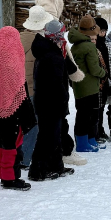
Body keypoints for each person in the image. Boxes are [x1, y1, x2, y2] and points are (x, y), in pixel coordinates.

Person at [34, 0, 85, 161]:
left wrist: (73, 72)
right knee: (51, 126)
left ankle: (60, 154)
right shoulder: (44, 40)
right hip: (47, 89)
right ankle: (57, 156)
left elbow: (66, 58)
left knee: (56, 123)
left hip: (51, 87)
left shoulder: (54, 40)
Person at [0, 26, 38, 191]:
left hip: (0, 104)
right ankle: (11, 177)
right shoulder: (12, 58)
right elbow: (18, 85)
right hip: (14, 105)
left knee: (2, 138)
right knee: (13, 141)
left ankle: (4, 174)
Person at [31, 20, 77, 181]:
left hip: (49, 101)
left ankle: (56, 165)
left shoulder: (54, 51)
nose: (64, 37)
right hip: (50, 102)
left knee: (55, 135)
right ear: (56, 36)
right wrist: (64, 97)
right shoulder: (51, 55)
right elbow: (55, 82)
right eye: (62, 34)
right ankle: (37, 171)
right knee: (46, 136)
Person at [20, 5, 58, 168]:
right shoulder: (41, 42)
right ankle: (26, 158)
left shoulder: (18, 38)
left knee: (23, 124)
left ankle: (22, 154)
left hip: (20, 87)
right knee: (34, 125)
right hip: (34, 87)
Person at [69, 15, 106, 153]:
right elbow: (94, 69)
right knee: (89, 116)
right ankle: (84, 143)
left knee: (83, 114)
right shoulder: (89, 47)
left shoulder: (74, 46)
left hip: (78, 86)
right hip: (90, 87)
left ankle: (88, 140)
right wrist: (103, 73)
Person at [94, 17, 111, 144]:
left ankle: (100, 129)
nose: (102, 34)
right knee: (96, 108)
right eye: (100, 30)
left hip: (105, 81)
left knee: (102, 107)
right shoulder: (94, 45)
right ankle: (96, 131)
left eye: (104, 31)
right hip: (97, 81)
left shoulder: (105, 45)